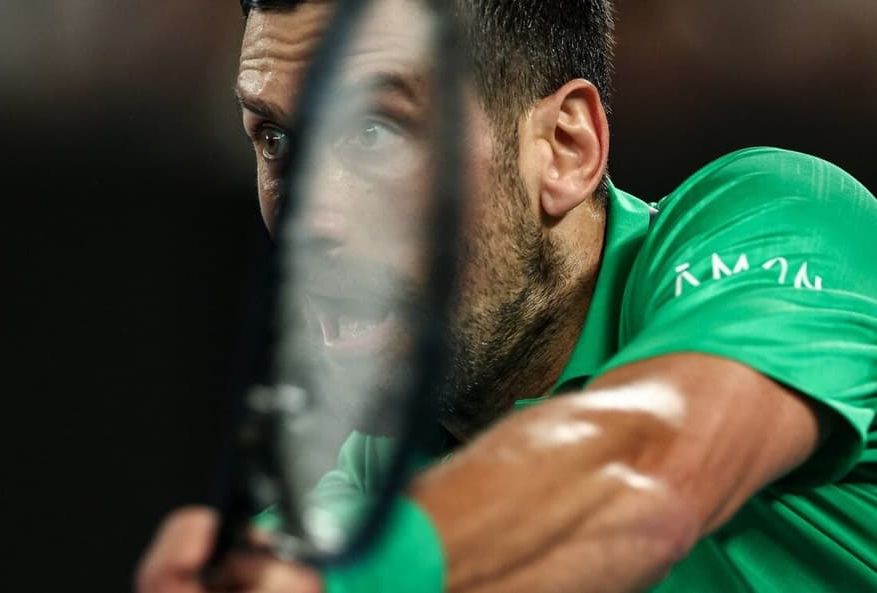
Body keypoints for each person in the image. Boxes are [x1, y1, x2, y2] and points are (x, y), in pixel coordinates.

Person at [136, 1, 877, 592]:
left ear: (565, 147)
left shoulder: (788, 224)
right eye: (275, 140)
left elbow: (645, 467)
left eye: (376, 129)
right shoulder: (351, 514)